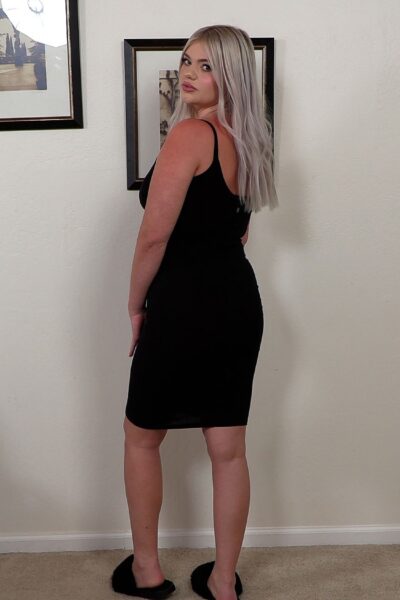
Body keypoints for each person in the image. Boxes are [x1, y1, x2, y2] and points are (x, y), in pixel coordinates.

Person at [111, 24, 278, 600]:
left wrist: (136, 305)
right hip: (237, 305)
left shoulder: (190, 135)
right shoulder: (248, 143)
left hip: (182, 306)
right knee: (229, 450)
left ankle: (147, 572)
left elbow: (153, 238)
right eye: (187, 60)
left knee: (141, 437)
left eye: (206, 66)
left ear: (229, 75)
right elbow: (238, 234)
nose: (188, 72)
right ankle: (223, 583)